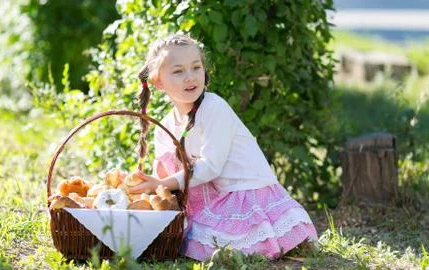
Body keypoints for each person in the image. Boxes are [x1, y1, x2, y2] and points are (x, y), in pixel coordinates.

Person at [128, 33, 318, 261]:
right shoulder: (165, 127)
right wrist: (151, 185)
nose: (190, 77)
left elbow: (211, 167)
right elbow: (167, 177)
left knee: (213, 245)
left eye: (196, 67)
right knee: (184, 238)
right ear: (158, 82)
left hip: (244, 194)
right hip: (214, 197)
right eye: (178, 71)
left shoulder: (213, 107)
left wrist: (162, 183)